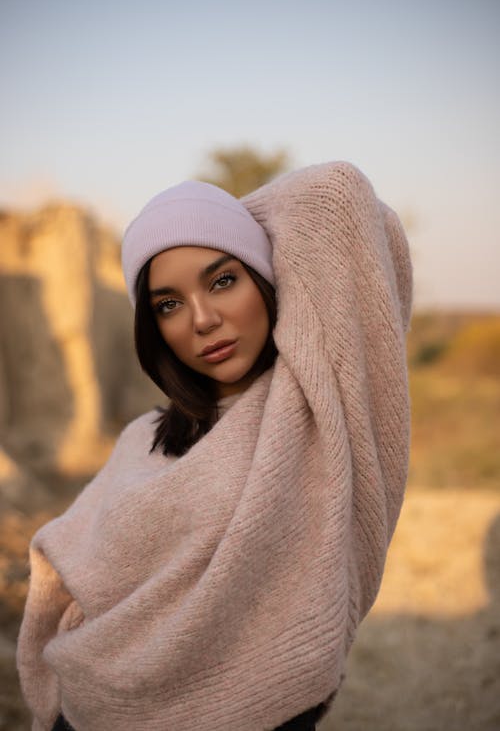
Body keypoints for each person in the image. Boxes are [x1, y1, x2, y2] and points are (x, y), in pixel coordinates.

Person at [17, 161, 413, 731]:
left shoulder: (312, 418)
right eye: (168, 304)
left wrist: (226, 219)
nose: (203, 320)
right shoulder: (141, 439)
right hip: (94, 707)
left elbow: (336, 195)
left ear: (266, 278)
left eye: (224, 279)